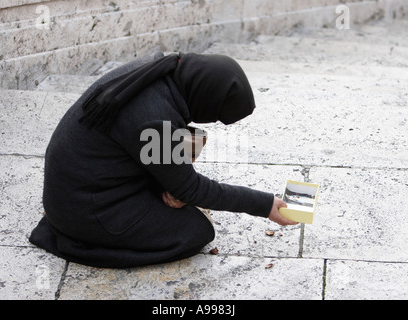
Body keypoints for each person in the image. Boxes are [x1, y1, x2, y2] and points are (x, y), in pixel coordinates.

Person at [29, 52, 298, 269]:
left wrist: (177, 184)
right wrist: (264, 205)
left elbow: (154, 153)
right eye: (215, 115)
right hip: (87, 211)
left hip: (78, 187)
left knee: (184, 171)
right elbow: (190, 188)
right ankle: (89, 246)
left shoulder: (159, 67)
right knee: (196, 231)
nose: (210, 120)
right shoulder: (155, 121)